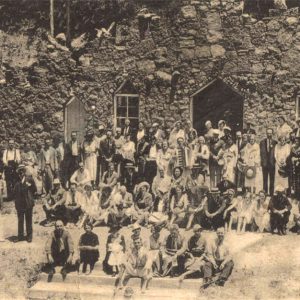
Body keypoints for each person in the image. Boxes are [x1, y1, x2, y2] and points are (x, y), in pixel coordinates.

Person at [14, 164, 37, 242]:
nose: (21, 172)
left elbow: (34, 189)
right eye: (19, 171)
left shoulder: (29, 179)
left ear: (24, 171)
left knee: (28, 220)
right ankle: (20, 236)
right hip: (19, 203)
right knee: (20, 220)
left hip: (28, 203)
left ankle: (29, 236)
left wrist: (30, 197)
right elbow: (15, 192)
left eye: (22, 170)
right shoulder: (16, 181)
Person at [260, 128, 277, 196]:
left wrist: (274, 161)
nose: (269, 134)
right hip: (264, 164)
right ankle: (265, 193)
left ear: (272, 134)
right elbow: (261, 153)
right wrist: (262, 162)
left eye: (270, 133)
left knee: (272, 179)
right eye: (268, 133)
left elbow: (276, 153)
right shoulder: (262, 142)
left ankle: (271, 193)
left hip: (272, 164)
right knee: (265, 179)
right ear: (266, 133)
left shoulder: (275, 142)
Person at [290, 135, 300, 201]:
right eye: (295, 141)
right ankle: (295, 195)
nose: (296, 142)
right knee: (294, 181)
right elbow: (290, 156)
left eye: (298, 141)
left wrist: (297, 159)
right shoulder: (293, 148)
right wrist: (292, 159)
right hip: (294, 167)